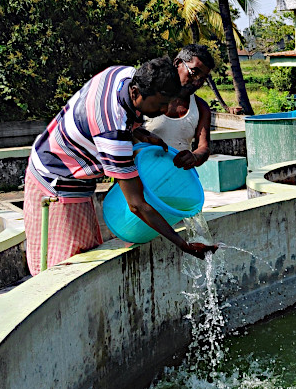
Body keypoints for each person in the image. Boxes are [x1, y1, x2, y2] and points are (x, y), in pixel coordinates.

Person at [24, 57, 217, 275]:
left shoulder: (123, 75)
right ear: (135, 93)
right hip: (55, 181)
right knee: (66, 266)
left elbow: (123, 117)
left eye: (168, 103)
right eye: (160, 104)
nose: (165, 110)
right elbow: (136, 205)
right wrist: (182, 244)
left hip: (73, 174)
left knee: (88, 250)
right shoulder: (112, 133)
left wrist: (140, 132)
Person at [146, 45, 215, 170]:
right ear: (178, 63)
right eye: (194, 73)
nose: (197, 82)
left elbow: (204, 147)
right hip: (142, 178)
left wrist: (194, 157)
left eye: (203, 79)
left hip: (178, 180)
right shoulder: (147, 97)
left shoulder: (201, 107)